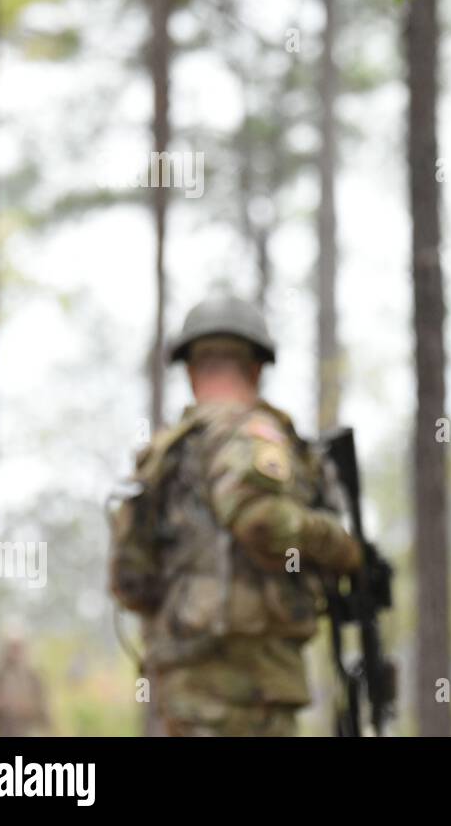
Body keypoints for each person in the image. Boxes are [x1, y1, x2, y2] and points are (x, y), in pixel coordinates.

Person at [108, 294, 363, 736]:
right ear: (256, 367)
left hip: (184, 679)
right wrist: (342, 547)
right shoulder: (250, 434)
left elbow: (130, 583)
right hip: (248, 682)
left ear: (190, 370)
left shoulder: (165, 454)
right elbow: (262, 522)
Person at [0, 634, 51, 737]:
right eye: (12, 648)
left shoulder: (34, 679)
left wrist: (25, 707)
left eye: (18, 648)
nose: (14, 653)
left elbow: (44, 714)